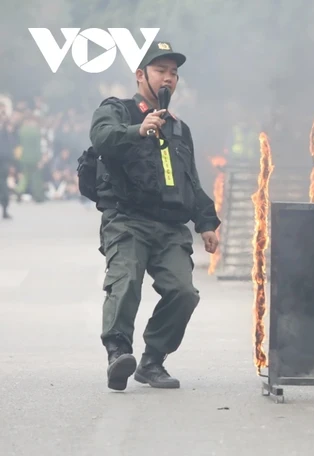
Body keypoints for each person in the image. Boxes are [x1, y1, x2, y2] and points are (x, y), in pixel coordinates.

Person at [88, 40, 220, 391]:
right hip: (127, 220)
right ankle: (118, 353)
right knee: (126, 279)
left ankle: (152, 362)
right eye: (161, 70)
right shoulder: (117, 110)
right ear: (140, 75)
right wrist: (138, 129)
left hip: (170, 227)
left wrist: (206, 222)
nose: (168, 79)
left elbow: (190, 179)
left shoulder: (179, 128)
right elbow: (101, 138)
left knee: (184, 292)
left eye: (174, 73)